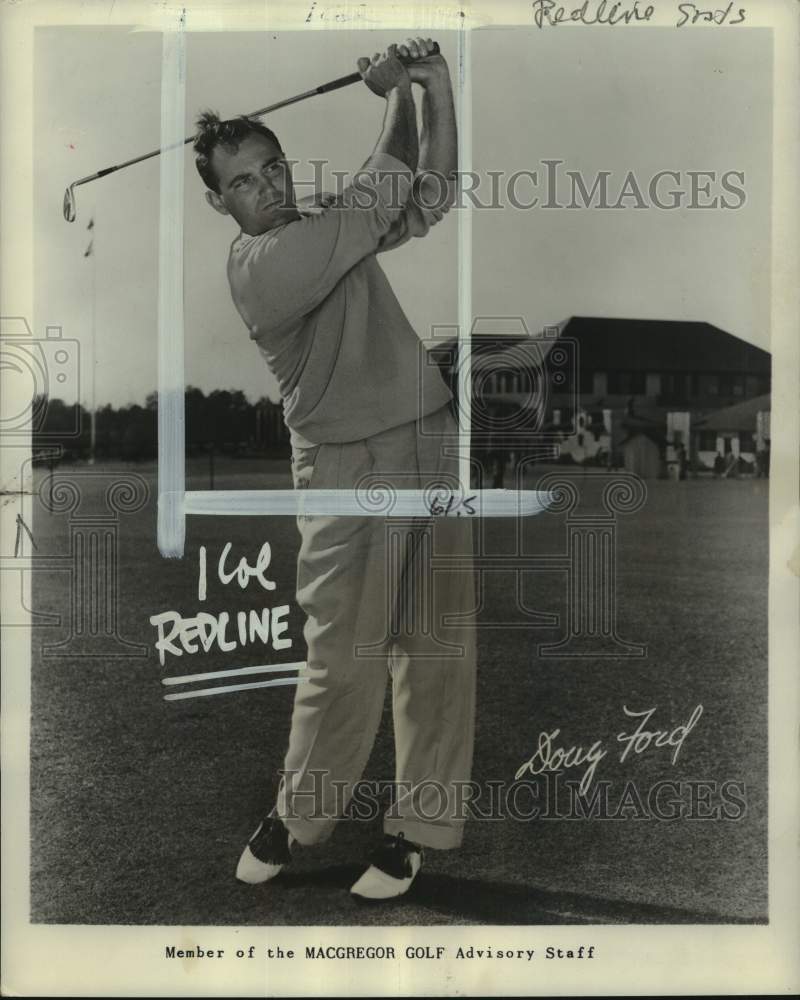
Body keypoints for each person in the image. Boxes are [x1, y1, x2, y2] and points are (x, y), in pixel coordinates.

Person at [194, 38, 477, 901]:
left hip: (428, 434)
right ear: (219, 202)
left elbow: (430, 195)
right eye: (243, 182)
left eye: (272, 168)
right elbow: (379, 189)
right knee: (341, 657)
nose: (267, 187)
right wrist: (392, 95)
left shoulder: (319, 224)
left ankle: (412, 834)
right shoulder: (260, 268)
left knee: (437, 648)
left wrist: (437, 87)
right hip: (344, 464)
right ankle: (298, 818)